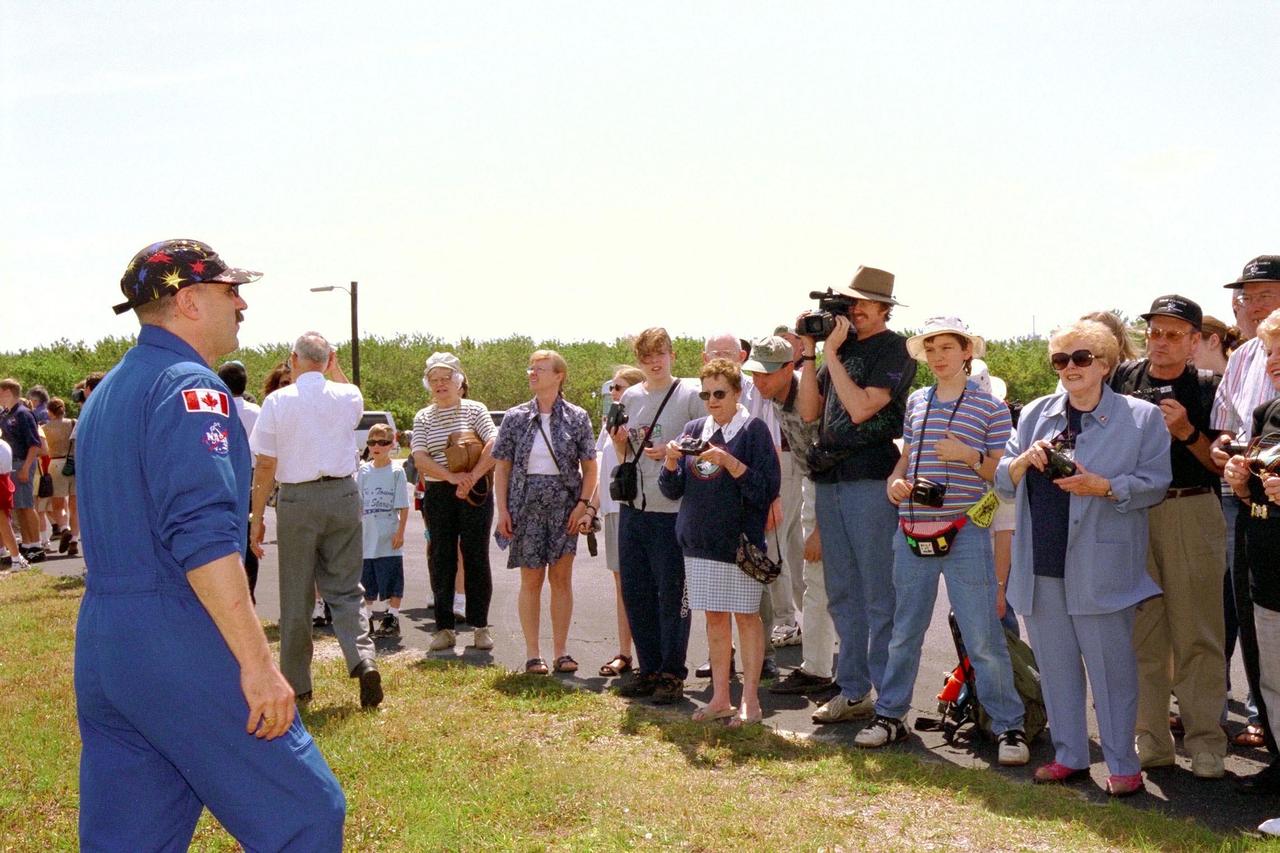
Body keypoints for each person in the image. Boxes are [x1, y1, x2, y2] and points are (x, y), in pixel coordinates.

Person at [75, 239, 344, 850]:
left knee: (131, 836)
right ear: (189, 300)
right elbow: (201, 540)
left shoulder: (112, 391)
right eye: (230, 291)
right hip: (181, 633)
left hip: (107, 644)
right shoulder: (189, 389)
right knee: (305, 815)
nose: (242, 303)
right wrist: (258, 663)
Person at [996, 319, 1171, 797]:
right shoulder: (1034, 413)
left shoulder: (1142, 418)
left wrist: (1105, 486)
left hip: (1102, 567)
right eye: (1060, 360)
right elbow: (1000, 479)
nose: (1069, 368)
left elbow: (1156, 484)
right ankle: (1070, 756)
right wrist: (1020, 461)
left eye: (1080, 358)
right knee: (1055, 669)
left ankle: (1123, 765)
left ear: (1105, 364)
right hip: (1041, 563)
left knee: (1113, 673)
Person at [857, 317, 1029, 765]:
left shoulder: (991, 408)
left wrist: (968, 456)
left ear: (966, 351)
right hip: (912, 531)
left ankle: (1009, 727)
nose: (938, 356)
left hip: (967, 533)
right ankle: (889, 715)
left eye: (947, 347)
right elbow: (906, 460)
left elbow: (1003, 477)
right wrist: (894, 482)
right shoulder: (916, 402)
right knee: (903, 634)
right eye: (930, 348)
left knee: (983, 638)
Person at [1109, 295, 1228, 779]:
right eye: (1155, 331)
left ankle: (1205, 743)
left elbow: (1219, 464)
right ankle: (1151, 740)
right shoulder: (1123, 380)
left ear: (1195, 341)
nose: (1160, 341)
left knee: (1198, 631)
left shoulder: (1209, 387)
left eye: (1173, 333)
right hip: (1133, 512)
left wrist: (1184, 431)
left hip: (1191, 506)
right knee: (1143, 633)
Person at [795, 266, 917, 724]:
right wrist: (811, 357)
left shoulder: (895, 348)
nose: (853, 310)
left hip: (870, 476)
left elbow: (864, 407)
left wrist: (832, 354)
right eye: (849, 302)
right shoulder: (835, 352)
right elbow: (810, 411)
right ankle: (852, 689)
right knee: (841, 590)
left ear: (883, 308)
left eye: (862, 303)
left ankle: (888, 699)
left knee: (878, 592)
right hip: (830, 477)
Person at [249, 331, 382, 709]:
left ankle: (298, 682)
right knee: (345, 585)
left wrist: (257, 516)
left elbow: (267, 463)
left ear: (293, 359)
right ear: (329, 359)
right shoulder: (347, 395)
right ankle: (362, 658)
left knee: (297, 592)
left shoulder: (277, 401)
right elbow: (351, 394)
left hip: (298, 498)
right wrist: (334, 366)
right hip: (342, 493)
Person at [659, 358, 781, 726]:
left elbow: (767, 489)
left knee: (746, 618)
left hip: (739, 545)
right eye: (705, 393)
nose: (711, 400)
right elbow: (672, 490)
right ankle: (720, 698)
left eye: (719, 393)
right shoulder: (696, 428)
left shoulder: (754, 431)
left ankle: (750, 701)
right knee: (714, 619)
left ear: (737, 392)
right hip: (698, 542)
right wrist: (668, 462)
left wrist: (731, 463)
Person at [608, 327, 705, 705]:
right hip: (635, 506)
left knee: (672, 595)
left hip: (673, 510)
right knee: (636, 592)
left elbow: (709, 441)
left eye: (660, 353)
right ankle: (647, 668)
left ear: (672, 354)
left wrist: (674, 449)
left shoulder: (691, 394)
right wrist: (619, 443)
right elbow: (624, 456)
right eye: (646, 356)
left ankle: (671, 672)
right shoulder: (631, 396)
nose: (654, 361)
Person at [1211, 256, 1280, 755]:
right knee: (1244, 603)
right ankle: (1263, 714)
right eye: (1246, 297)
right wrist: (1223, 448)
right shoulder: (1240, 357)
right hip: (1241, 494)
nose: (1252, 306)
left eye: (1264, 295)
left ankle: (1266, 718)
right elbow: (1228, 425)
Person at [744, 334, 838, 697]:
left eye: (766, 373)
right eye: (755, 373)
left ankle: (825, 671)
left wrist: (821, 529)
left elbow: (829, 464)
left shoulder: (805, 399)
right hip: (813, 487)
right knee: (816, 582)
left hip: (830, 491)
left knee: (823, 583)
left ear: (789, 369)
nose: (758, 381)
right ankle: (818, 667)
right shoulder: (778, 401)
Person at [493, 349, 597, 674]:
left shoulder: (577, 417)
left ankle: (561, 652)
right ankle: (532, 653)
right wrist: (503, 510)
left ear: (559, 375)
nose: (532, 373)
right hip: (525, 505)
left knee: (562, 579)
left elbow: (590, 468)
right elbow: (502, 469)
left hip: (565, 506)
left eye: (540, 368)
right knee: (531, 579)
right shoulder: (514, 418)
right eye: (531, 368)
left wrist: (582, 505)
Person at [1225, 308, 1280, 806]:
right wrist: (1242, 482)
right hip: (1261, 557)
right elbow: (1258, 493)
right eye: (1270, 352)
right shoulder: (1267, 415)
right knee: (1269, 674)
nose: (1275, 362)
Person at [410, 352, 497, 652]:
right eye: (433, 380)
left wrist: (471, 476)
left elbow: (494, 443)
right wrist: (449, 477)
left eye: (445, 378)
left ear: (459, 381)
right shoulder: (423, 416)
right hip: (439, 492)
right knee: (441, 558)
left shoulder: (475, 409)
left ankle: (480, 627)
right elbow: (419, 457)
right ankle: (444, 627)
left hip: (475, 490)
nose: (439, 384)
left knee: (475, 557)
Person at [589, 366, 645, 678]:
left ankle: (652, 655)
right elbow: (604, 471)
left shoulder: (646, 421)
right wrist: (590, 509)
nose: (614, 393)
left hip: (638, 510)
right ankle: (625, 653)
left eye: (619, 387)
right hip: (613, 512)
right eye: (612, 387)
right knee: (622, 587)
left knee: (645, 587)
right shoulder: (611, 422)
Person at [358, 423, 410, 637]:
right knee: (366, 578)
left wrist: (400, 533)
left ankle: (392, 616)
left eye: (383, 442)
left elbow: (403, 506)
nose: (377, 446)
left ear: (391, 445)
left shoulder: (396, 471)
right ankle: (367, 617)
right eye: (372, 442)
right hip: (366, 535)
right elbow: (358, 504)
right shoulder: (363, 471)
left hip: (388, 534)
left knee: (391, 577)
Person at [219, 360, 261, 596]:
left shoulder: (217, 409)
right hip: (252, 480)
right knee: (248, 537)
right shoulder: (256, 411)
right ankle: (249, 594)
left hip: (223, 477)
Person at [0, 379, 44, 563]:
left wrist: (26, 467)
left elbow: (35, 444)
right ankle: (26, 544)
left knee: (26, 505)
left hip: (23, 461)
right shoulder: (7, 414)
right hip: (12, 464)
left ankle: (36, 544)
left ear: (8, 392)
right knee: (18, 507)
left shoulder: (23, 414)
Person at [42, 397, 75, 553]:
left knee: (58, 504)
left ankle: (64, 528)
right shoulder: (73, 423)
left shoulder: (45, 428)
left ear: (49, 411)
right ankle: (74, 540)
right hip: (74, 463)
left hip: (55, 464)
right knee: (74, 505)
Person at [0, 436, 26, 570]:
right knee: (4, 522)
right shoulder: (4, 444)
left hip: (2, 483)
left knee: (4, 523)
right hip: (4, 482)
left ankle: (16, 559)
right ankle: (13, 556)